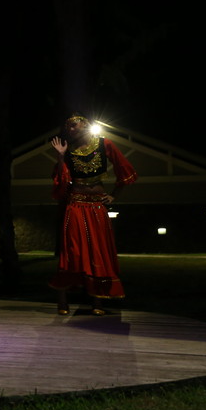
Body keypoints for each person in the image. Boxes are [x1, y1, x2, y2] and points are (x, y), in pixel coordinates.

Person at [49, 113, 137, 315]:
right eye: (68, 127)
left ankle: (98, 301)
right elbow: (61, 184)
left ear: (85, 126)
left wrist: (115, 195)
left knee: (99, 250)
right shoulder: (67, 150)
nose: (70, 129)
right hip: (76, 205)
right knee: (73, 250)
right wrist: (61, 157)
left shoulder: (105, 144)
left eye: (74, 125)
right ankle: (62, 299)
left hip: (97, 205)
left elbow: (125, 169)